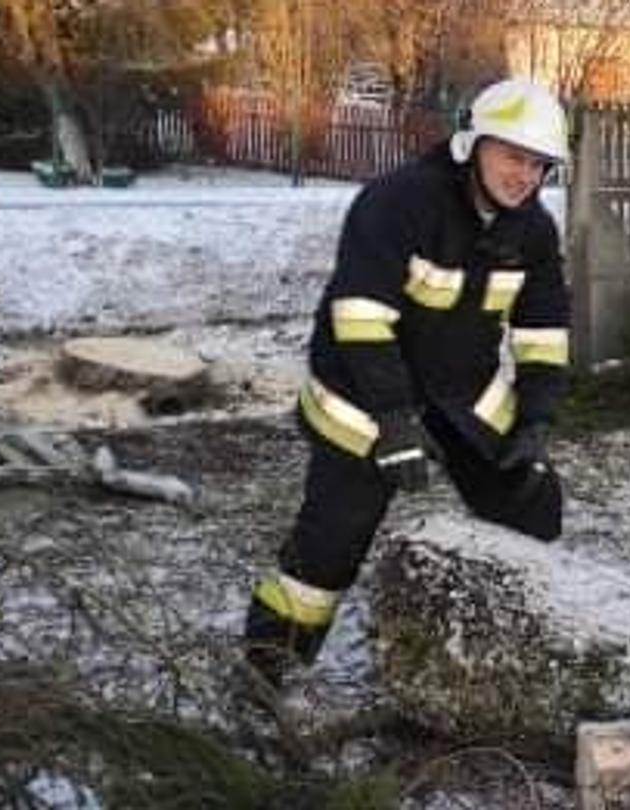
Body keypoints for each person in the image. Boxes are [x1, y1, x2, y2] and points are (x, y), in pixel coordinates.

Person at [240, 77, 574, 689]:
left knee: (532, 499)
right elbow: (360, 318)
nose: (525, 176)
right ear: (472, 144)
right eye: (513, 156)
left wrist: (535, 419)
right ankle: (268, 669)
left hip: (460, 389)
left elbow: (543, 329)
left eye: (539, 165)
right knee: (331, 543)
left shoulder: (532, 231)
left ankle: (505, 651)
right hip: (361, 393)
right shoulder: (398, 202)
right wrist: (394, 422)